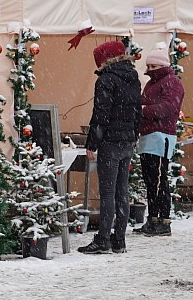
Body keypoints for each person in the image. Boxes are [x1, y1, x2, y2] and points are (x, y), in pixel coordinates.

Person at [78, 40, 142, 254]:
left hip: (110, 142)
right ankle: (119, 239)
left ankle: (103, 239)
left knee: (107, 192)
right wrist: (134, 135)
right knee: (121, 191)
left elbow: (101, 114)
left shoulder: (106, 80)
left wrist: (92, 143)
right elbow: (137, 112)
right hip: (127, 142)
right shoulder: (133, 77)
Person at [135, 47, 184, 237]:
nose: (149, 69)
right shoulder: (153, 83)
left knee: (157, 180)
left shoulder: (172, 83)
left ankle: (163, 220)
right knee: (150, 180)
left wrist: (143, 110)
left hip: (161, 136)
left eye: (153, 65)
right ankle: (153, 218)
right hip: (149, 135)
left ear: (163, 65)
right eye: (148, 66)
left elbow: (168, 108)